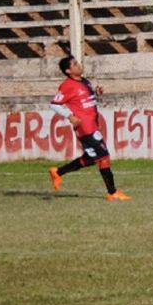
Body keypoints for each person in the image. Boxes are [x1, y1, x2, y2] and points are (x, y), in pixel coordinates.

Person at [48, 56, 131, 201]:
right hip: (85, 127)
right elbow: (54, 104)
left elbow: (84, 100)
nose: (78, 65)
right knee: (103, 156)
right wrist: (70, 116)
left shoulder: (85, 81)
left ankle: (58, 172)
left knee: (93, 157)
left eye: (77, 63)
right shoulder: (67, 85)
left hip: (93, 124)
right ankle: (112, 193)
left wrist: (96, 94)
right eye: (74, 64)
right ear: (68, 70)